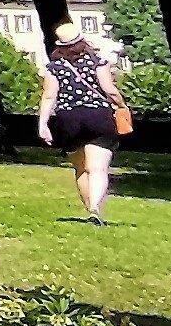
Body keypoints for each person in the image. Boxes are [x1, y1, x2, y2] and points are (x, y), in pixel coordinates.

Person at [42, 26, 128, 223]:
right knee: (98, 169)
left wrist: (43, 124)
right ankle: (95, 209)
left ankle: (90, 207)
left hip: (67, 119)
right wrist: (122, 105)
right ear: (82, 40)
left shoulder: (54, 68)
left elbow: (49, 97)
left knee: (81, 168)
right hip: (98, 116)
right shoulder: (98, 62)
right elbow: (110, 90)